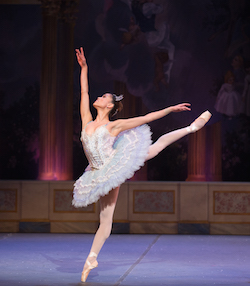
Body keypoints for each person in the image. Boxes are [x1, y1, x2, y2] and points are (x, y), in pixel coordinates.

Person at [72, 47, 211, 282]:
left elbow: (146, 118)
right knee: (106, 220)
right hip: (95, 172)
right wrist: (84, 68)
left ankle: (191, 128)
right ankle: (92, 259)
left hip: (112, 167)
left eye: (104, 97)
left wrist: (170, 109)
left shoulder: (114, 126)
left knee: (154, 149)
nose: (100, 97)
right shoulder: (87, 121)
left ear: (109, 107)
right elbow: (83, 92)